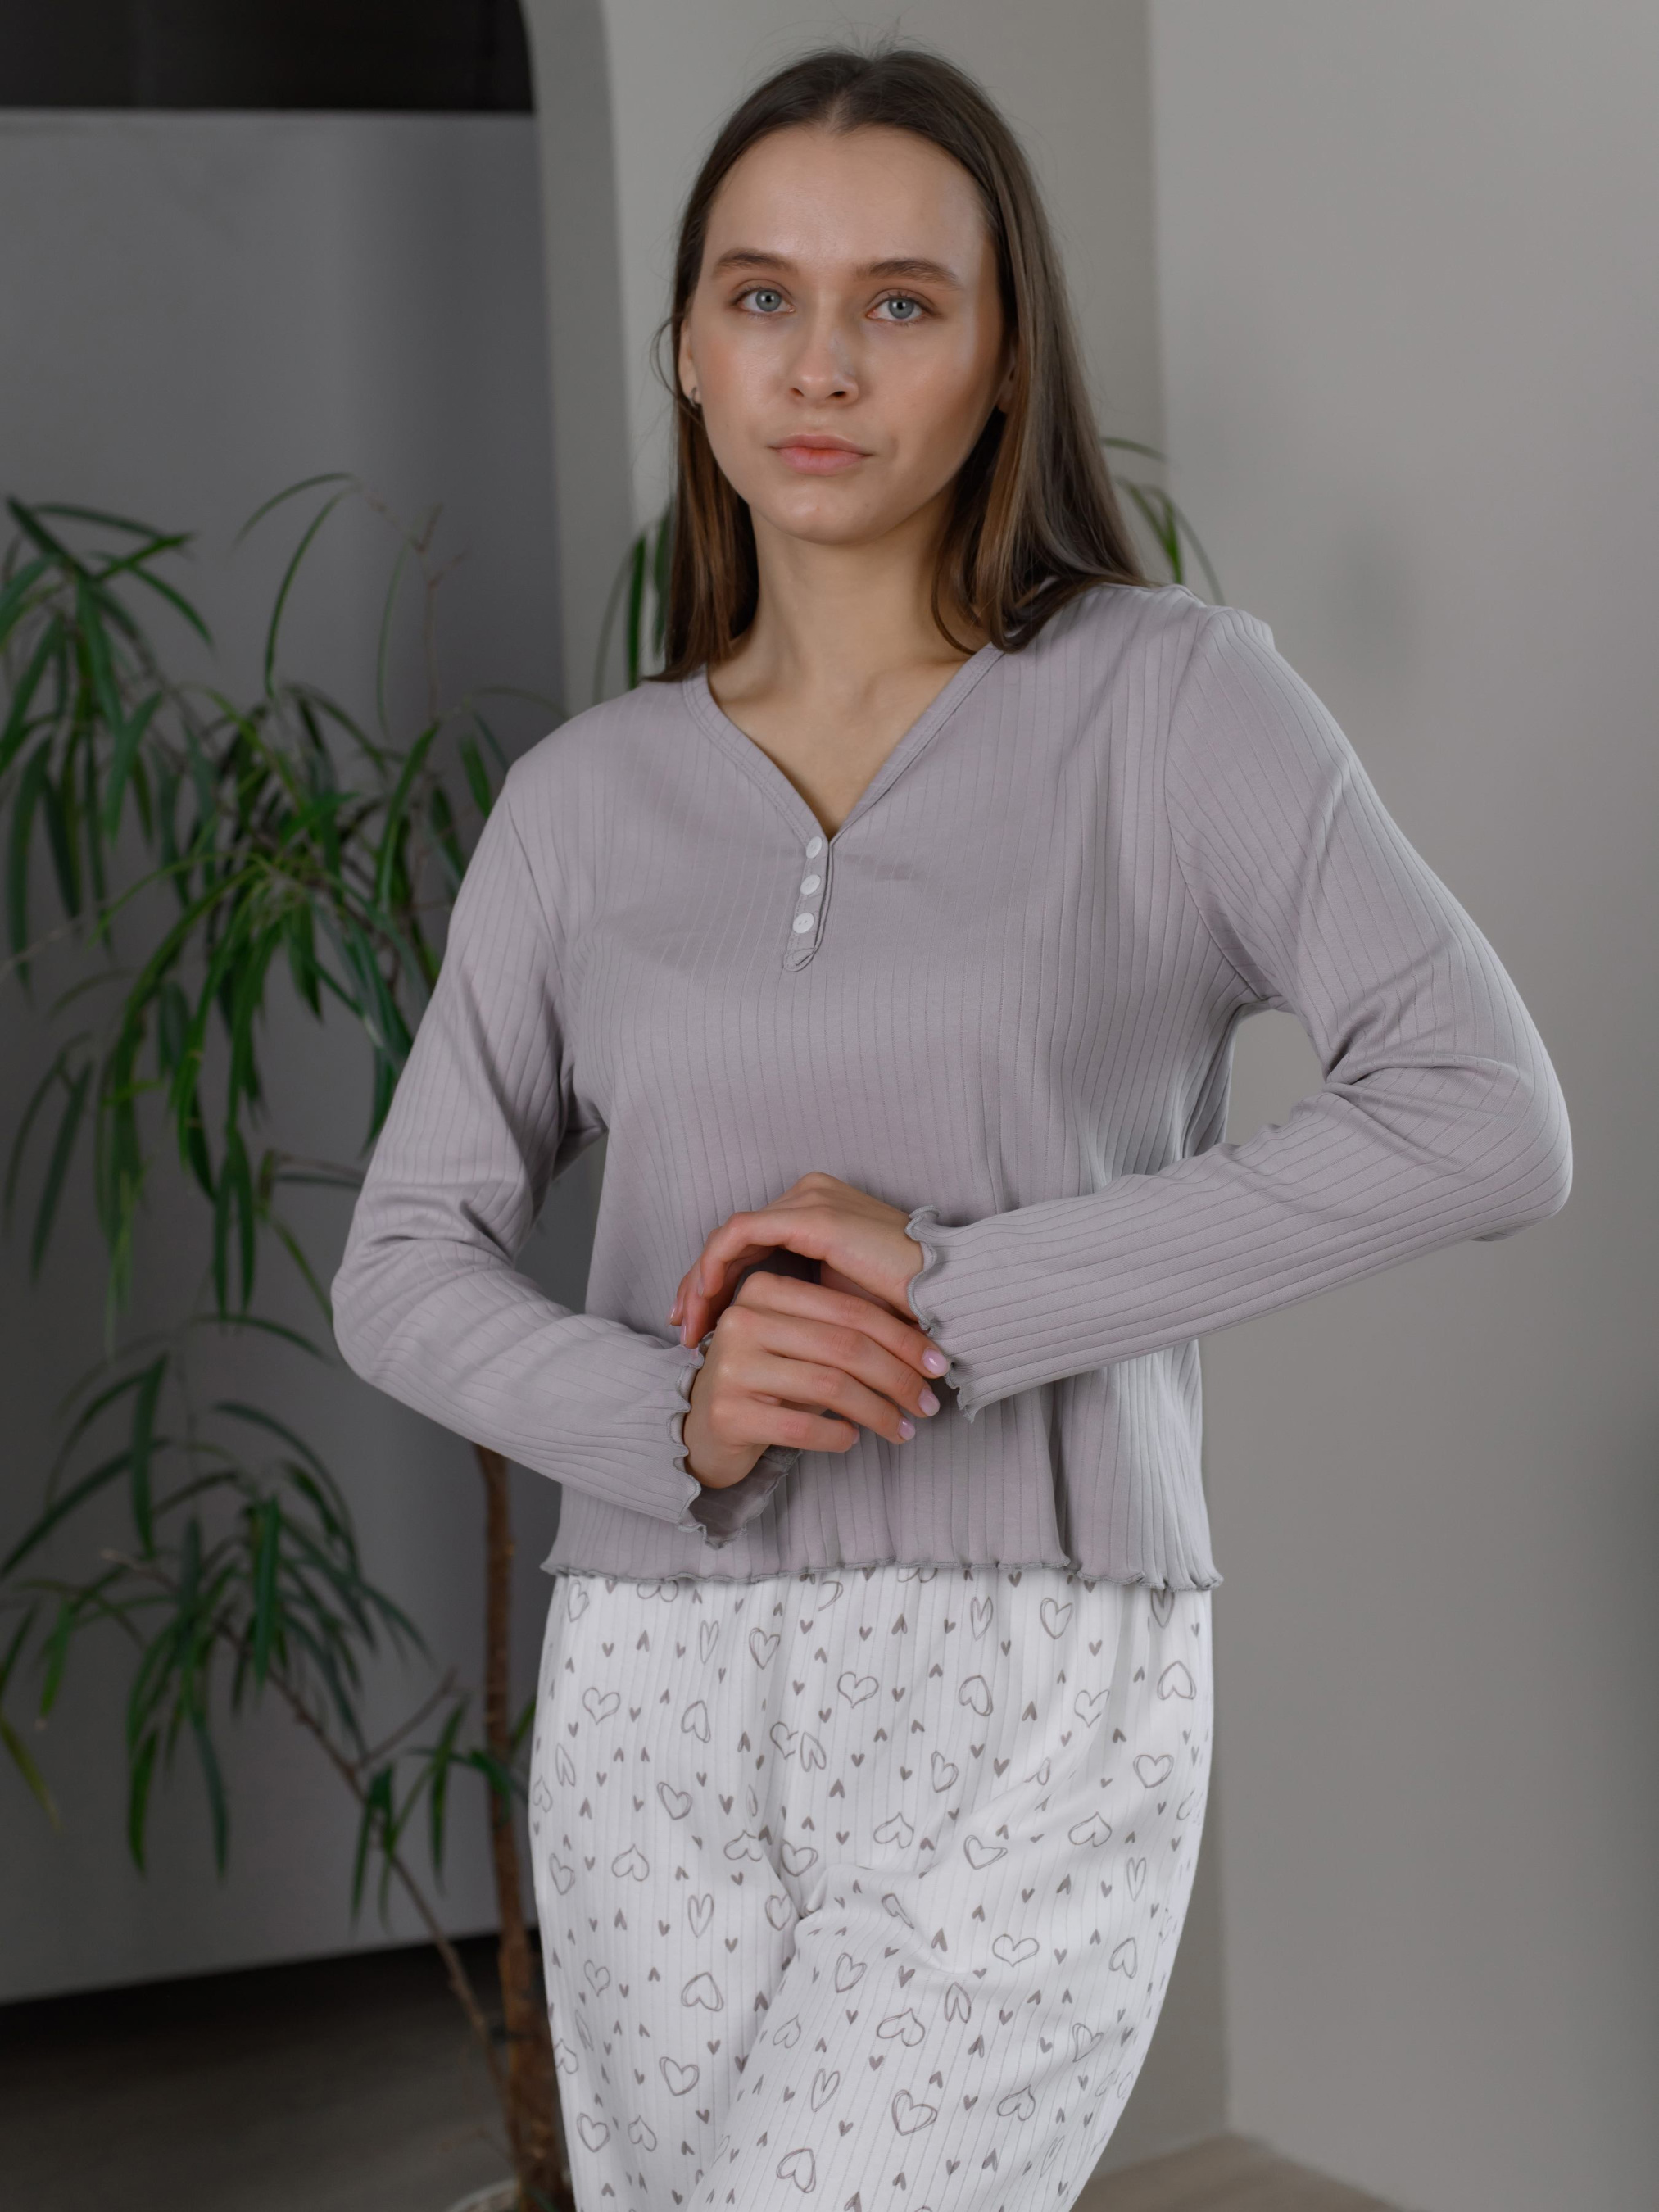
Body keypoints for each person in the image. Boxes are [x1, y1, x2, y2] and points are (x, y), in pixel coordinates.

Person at [330, 39, 1571, 2212]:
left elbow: (1484, 1114)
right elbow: (401, 1261)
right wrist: (671, 1413)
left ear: (1004, 363)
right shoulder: (580, 803)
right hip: (653, 1674)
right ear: (690, 350)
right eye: (761, 296)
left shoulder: (1174, 702)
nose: (820, 363)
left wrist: (963, 1292)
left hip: (1034, 1662)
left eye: (899, 302)